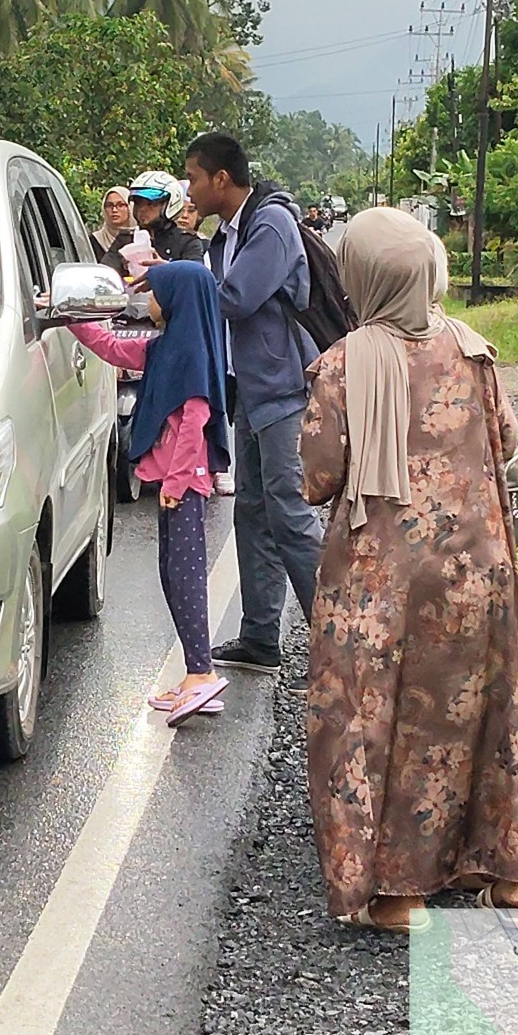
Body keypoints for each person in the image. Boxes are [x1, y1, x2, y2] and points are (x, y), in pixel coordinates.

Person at [298, 207, 518, 933]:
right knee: (472, 715)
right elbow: (507, 441)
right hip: (477, 568)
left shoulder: (344, 361)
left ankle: (400, 897)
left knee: (370, 723)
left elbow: (317, 477)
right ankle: (503, 878)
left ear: (361, 276)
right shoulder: (475, 349)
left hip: (380, 578)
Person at [183, 131, 325, 674]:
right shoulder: (229, 231)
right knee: (252, 513)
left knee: (289, 515)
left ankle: (333, 639)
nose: (189, 189)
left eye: (194, 177)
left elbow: (236, 298)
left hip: (284, 388)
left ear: (221, 178)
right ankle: (261, 637)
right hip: (250, 390)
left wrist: (174, 286)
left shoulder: (272, 225)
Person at [68, 261, 231, 725]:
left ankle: (201, 672)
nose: (149, 302)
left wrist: (177, 484)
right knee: (172, 572)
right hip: (172, 485)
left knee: (185, 576)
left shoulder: (191, 357)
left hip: (184, 486)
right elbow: (115, 348)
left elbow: (194, 422)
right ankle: (195, 672)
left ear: (177, 299)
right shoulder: (169, 348)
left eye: (156, 294)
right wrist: (70, 316)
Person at [127, 171, 206, 263]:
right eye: (138, 203)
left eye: (151, 203)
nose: (142, 209)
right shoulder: (126, 239)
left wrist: (166, 268)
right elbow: (107, 269)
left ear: (170, 203)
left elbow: (195, 274)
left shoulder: (187, 242)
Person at [92, 185, 134, 264]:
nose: (114, 210)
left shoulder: (140, 237)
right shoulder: (94, 241)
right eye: (109, 205)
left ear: (130, 207)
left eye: (120, 205)